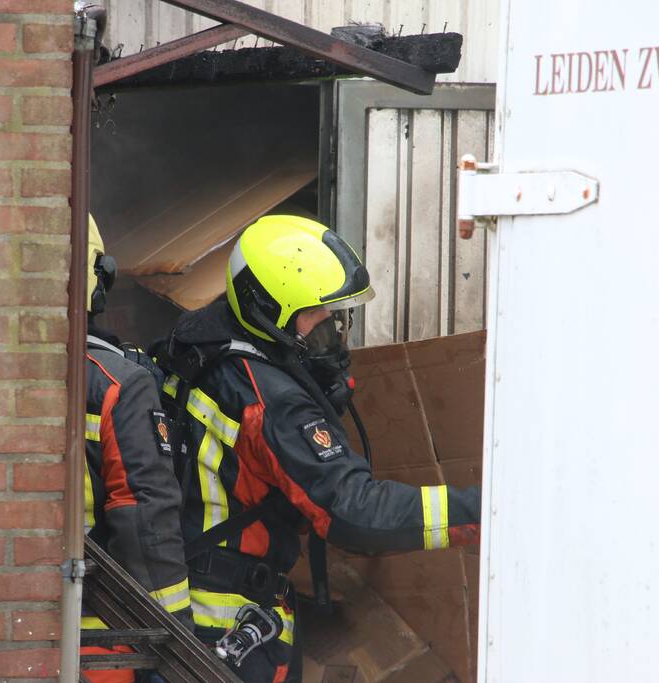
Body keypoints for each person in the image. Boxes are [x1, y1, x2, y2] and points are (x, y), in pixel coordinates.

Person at [156, 215, 482, 683]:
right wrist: (482, 513)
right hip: (226, 631)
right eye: (317, 315)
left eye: (337, 315)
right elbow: (353, 513)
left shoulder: (198, 343)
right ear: (269, 310)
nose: (333, 328)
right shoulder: (272, 401)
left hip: (186, 602)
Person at [81, 216, 193, 683]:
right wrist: (173, 647)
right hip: (98, 639)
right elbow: (145, 518)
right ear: (98, 276)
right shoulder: (117, 384)